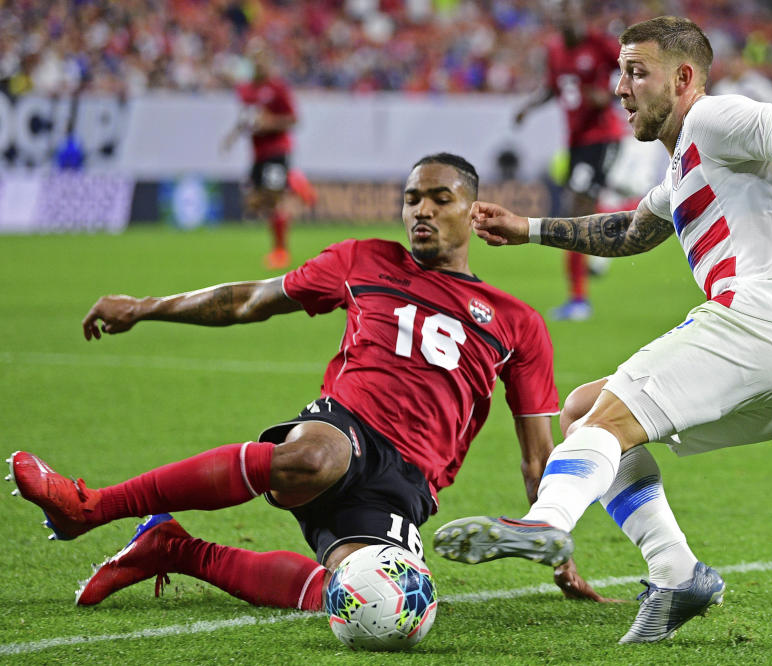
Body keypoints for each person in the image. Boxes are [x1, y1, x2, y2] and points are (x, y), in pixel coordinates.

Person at [433, 16, 772, 644]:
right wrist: (528, 228)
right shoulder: (683, 168)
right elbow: (627, 232)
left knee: (606, 420)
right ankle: (677, 572)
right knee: (584, 410)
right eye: (619, 71)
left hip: (758, 323)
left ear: (682, 78)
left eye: (636, 71)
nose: (620, 87)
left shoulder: (714, 118)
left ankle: (546, 521)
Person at [7, 153, 610, 610]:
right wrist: (144, 307)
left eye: (439, 198)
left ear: (473, 211)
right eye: (411, 199)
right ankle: (89, 507)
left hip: (408, 481)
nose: (421, 210)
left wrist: (555, 546)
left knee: (378, 604)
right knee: (317, 456)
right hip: (345, 427)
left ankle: (175, 549)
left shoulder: (518, 323)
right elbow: (246, 301)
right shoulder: (364, 260)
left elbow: (539, 459)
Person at [514, 0, 624, 321]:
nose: (567, 23)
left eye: (572, 16)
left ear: (581, 18)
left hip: (603, 137)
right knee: (577, 211)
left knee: (576, 209)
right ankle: (604, 243)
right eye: (561, 18)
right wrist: (528, 107)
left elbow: (632, 70)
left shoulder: (601, 45)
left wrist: (612, 95)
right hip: (576, 142)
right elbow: (552, 87)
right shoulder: (555, 50)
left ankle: (580, 297)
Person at [221, 40, 315, 271]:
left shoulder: (277, 88)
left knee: (274, 201)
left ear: (268, 61)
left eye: (262, 58)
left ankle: (280, 251)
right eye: (254, 59)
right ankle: (295, 181)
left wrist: (270, 122)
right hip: (258, 155)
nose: (259, 63)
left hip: (277, 150)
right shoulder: (246, 90)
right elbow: (247, 118)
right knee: (253, 205)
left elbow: (294, 120)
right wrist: (232, 136)